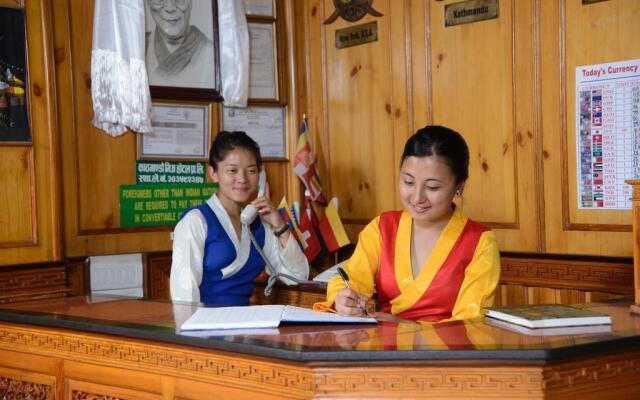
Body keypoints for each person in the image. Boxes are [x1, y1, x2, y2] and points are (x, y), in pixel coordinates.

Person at [314, 125, 500, 322]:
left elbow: (470, 324)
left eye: (432, 187)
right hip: (383, 349)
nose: (417, 197)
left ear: (459, 187)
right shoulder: (382, 228)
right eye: (409, 182)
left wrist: (403, 326)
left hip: (446, 352)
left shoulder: (479, 242)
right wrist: (343, 299)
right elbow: (351, 278)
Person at [170, 131, 309, 306]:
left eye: (251, 170)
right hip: (204, 326)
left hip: (245, 325)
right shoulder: (196, 221)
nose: (242, 179)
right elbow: (184, 297)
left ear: (260, 176)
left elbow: (297, 276)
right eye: (232, 170)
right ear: (213, 173)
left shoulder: (259, 226)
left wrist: (279, 225)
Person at [145, 0, 215, 88]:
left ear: (190, 2)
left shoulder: (211, 53)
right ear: (148, 3)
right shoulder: (139, 50)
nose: (170, 8)